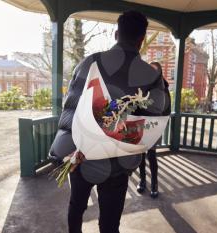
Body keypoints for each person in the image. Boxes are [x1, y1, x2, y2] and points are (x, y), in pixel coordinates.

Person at [49, 11, 169, 233]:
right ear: (142, 40)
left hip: (81, 155)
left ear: (116, 34)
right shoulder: (152, 77)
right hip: (119, 163)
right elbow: (150, 126)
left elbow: (70, 109)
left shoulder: (88, 63)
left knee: (76, 208)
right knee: (110, 222)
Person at [137, 61, 170, 198]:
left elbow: (167, 108)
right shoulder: (143, 87)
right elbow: (137, 106)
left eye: (155, 71)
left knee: (152, 155)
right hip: (142, 125)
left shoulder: (164, 88)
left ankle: (154, 184)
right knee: (141, 155)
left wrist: (160, 122)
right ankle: (142, 181)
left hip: (155, 126)